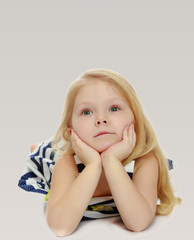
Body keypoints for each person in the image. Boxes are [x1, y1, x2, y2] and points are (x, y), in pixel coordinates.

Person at [18, 69, 181, 237]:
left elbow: (138, 223)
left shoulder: (145, 161)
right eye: (87, 112)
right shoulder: (67, 164)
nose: (101, 119)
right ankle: (40, 147)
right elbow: (60, 227)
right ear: (71, 130)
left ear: (135, 118)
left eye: (114, 108)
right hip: (63, 159)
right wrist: (93, 165)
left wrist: (111, 161)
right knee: (46, 155)